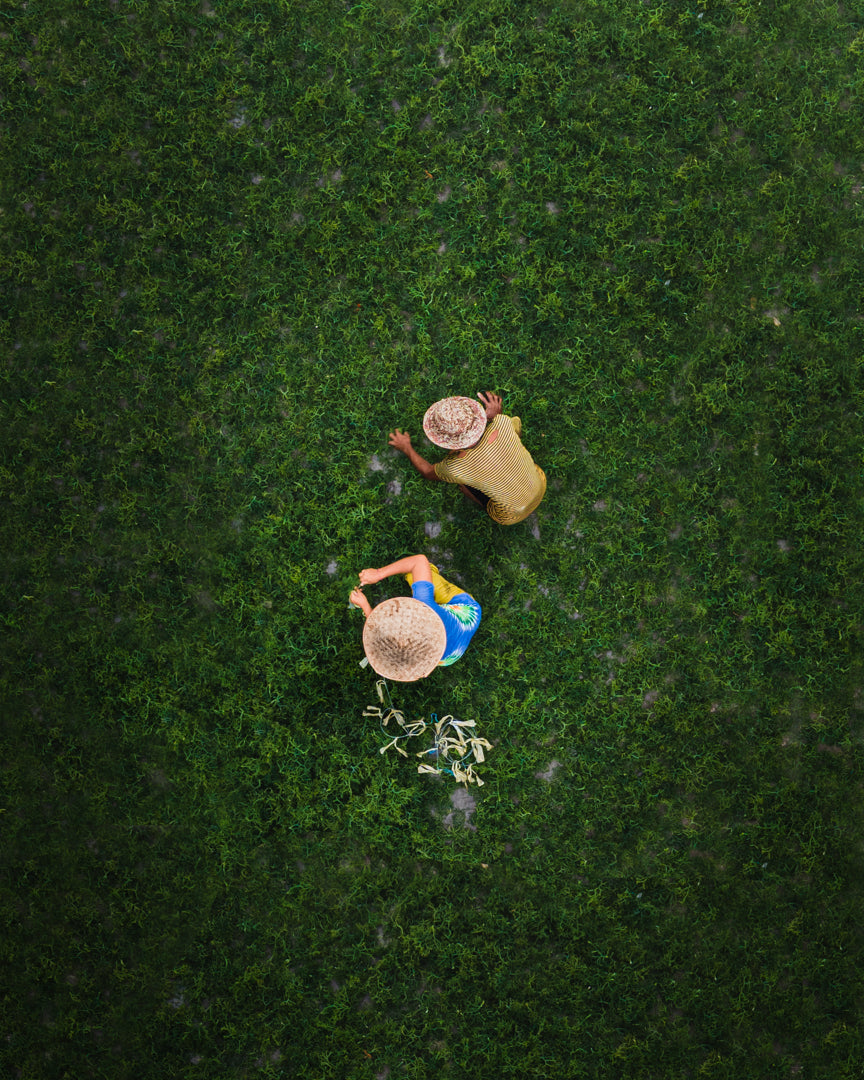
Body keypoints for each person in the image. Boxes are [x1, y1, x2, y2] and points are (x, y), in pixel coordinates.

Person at [388, 392, 546, 525]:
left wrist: (406, 447)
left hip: (511, 515)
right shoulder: (502, 422)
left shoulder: (454, 468)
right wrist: (492, 418)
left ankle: (477, 498)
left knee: (466, 487)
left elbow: (428, 472)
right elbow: (516, 434)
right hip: (539, 482)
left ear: (446, 443)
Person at [349, 553, 481, 681]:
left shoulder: (425, 606)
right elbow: (419, 562)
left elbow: (380, 632)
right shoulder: (424, 605)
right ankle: (430, 573)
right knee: (416, 573)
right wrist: (378, 574)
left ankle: (430, 575)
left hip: (450, 653)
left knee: (414, 575)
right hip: (466, 619)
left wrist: (365, 606)